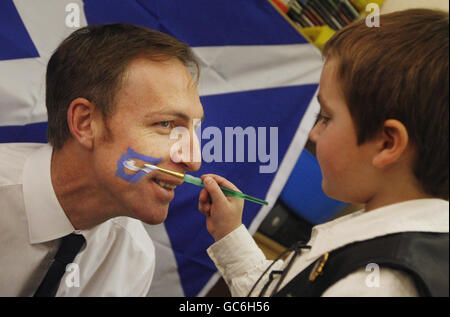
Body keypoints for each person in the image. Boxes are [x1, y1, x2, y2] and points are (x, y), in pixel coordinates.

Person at [198, 9, 449, 297]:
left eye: (326, 116)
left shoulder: (376, 285)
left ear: (387, 144)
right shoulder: (384, 233)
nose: (314, 133)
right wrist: (230, 232)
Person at [0, 24, 203, 296]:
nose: (194, 160)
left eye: (194, 129)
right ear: (85, 123)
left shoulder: (134, 258)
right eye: (166, 124)